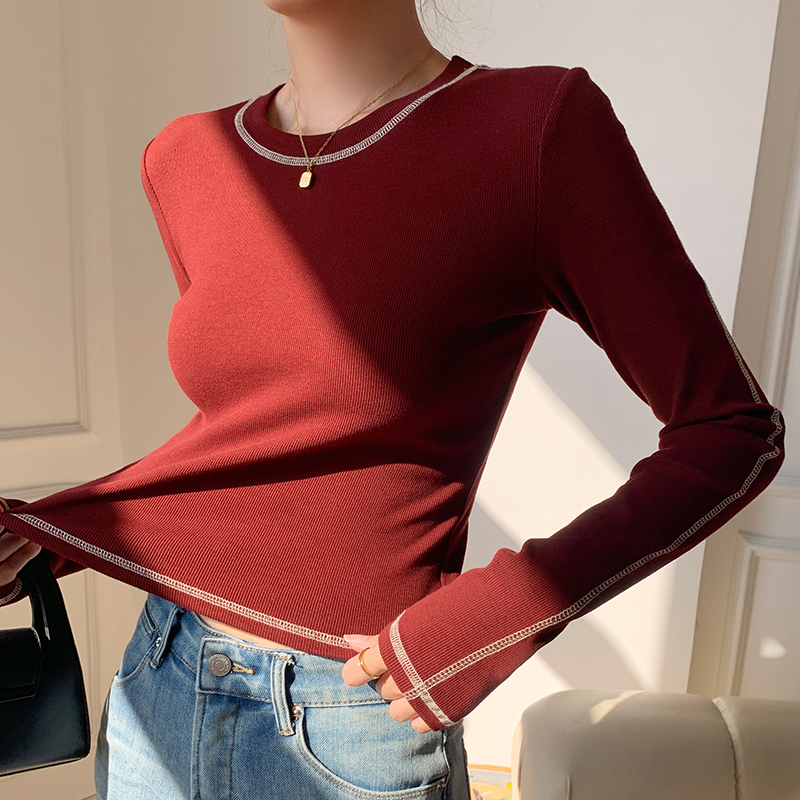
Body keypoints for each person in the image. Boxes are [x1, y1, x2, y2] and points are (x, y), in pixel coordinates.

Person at [0, 0, 787, 797]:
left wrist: (498, 615)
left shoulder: (535, 129)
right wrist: (48, 535)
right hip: (160, 678)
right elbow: (260, 434)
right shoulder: (186, 156)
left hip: (351, 719)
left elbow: (731, 432)